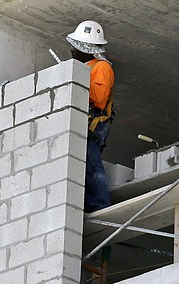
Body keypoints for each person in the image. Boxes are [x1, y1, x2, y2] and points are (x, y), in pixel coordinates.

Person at [67, 20, 115, 212]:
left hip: (94, 127)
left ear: (86, 48)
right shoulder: (89, 68)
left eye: (76, 46)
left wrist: (78, 77)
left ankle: (100, 207)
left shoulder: (101, 67)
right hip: (86, 125)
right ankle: (90, 206)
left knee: (93, 166)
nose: (71, 50)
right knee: (86, 166)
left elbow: (100, 98)